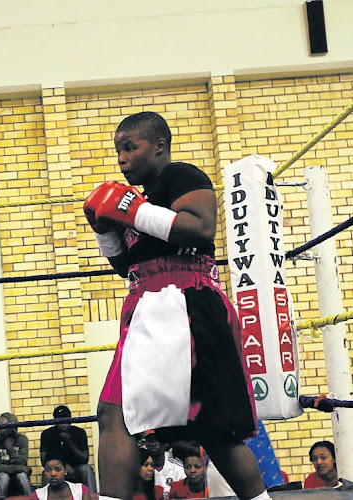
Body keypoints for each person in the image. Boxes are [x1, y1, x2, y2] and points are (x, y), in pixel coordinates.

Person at [84, 111, 269, 500]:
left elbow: (200, 227)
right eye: (118, 150)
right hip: (149, 301)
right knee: (119, 414)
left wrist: (132, 211)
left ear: (159, 146)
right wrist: (105, 231)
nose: (122, 158)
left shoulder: (181, 176)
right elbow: (126, 266)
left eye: (130, 147)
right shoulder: (142, 200)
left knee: (208, 427)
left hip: (186, 300)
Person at [39, 406, 97, 493]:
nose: (64, 424)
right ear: (54, 421)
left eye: (67, 420)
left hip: (76, 468)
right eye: (60, 421)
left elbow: (85, 459)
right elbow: (44, 461)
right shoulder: (47, 434)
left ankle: (92, 496)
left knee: (86, 469)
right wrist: (63, 467)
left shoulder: (79, 432)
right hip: (57, 468)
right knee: (46, 473)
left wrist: (70, 443)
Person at [0, 411, 33, 500]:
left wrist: (10, 449)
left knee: (22, 476)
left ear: (11, 429)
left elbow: (22, 461)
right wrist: (19, 468)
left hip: (18, 474)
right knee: (4, 477)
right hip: (1, 474)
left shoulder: (22, 440)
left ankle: (31, 498)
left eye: (1, 428)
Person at [144, 431, 185, 498]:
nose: (153, 444)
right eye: (150, 440)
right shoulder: (140, 468)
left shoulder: (178, 469)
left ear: (166, 443)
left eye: (157, 440)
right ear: (146, 444)